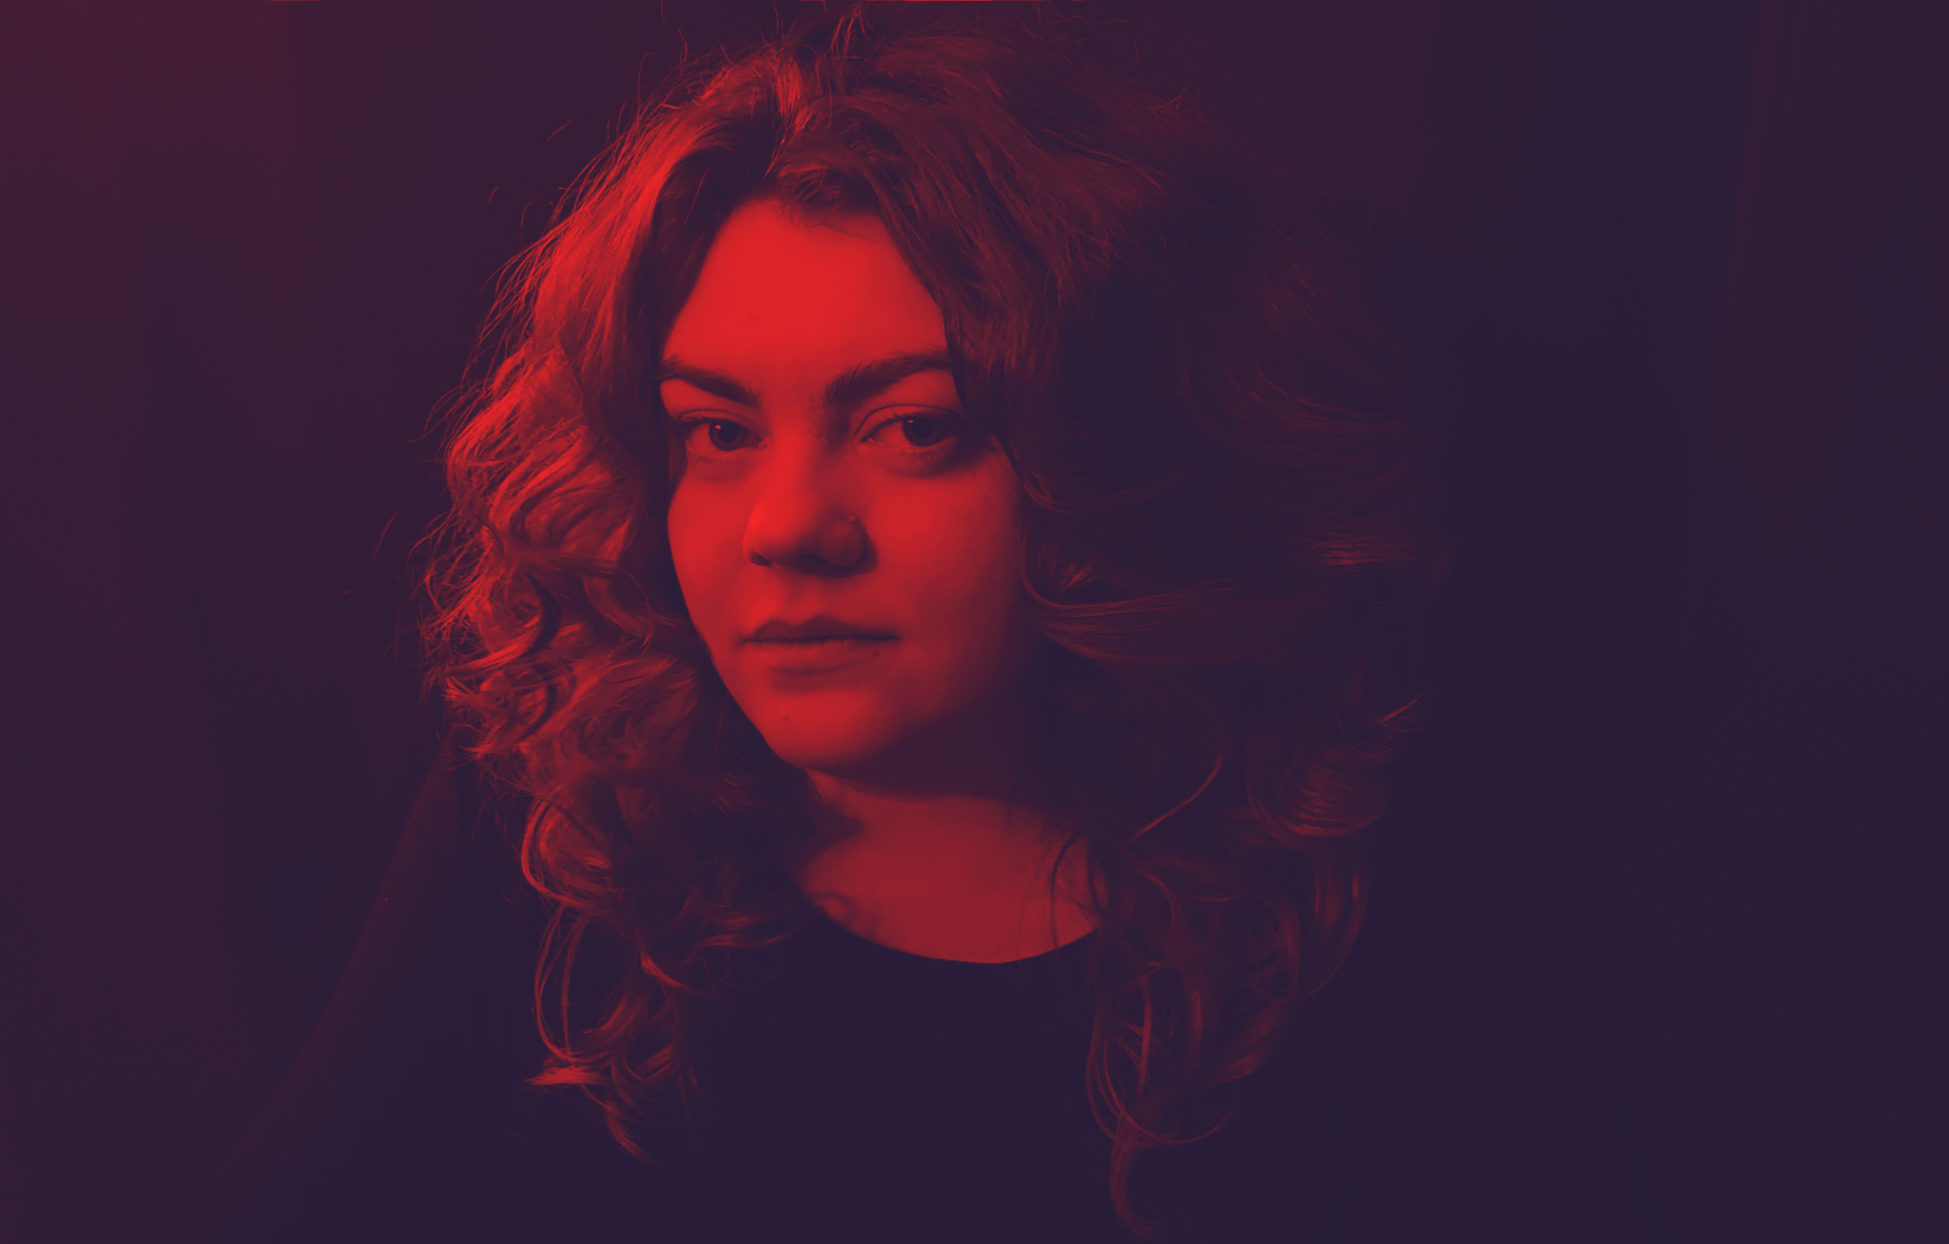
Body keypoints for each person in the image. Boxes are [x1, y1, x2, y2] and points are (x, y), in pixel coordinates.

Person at [188, 6, 1532, 1242]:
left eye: (913, 427)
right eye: (718, 432)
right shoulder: (567, 816)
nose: (786, 526)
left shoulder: (1330, 908)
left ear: (1120, 459)